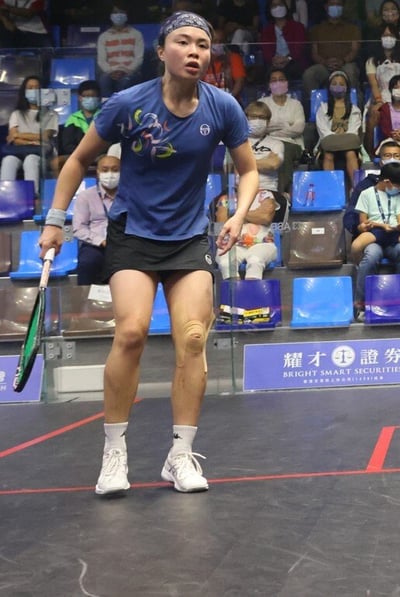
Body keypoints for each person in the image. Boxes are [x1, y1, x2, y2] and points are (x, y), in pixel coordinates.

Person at [37, 11, 260, 497]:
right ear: (161, 52)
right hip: (134, 234)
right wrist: (56, 222)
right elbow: (78, 159)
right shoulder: (127, 104)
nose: (196, 51)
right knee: (133, 333)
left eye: (203, 44)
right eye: (184, 42)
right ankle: (114, 452)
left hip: (187, 238)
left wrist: (238, 215)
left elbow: (248, 171)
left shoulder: (222, 108)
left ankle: (180, 455)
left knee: (195, 339)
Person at [350, 162, 400, 318]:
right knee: (371, 256)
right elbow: (362, 224)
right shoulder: (366, 194)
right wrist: (373, 225)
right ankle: (361, 304)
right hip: (374, 236)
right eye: (397, 186)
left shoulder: (395, 196)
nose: (398, 189)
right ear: (387, 182)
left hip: (393, 236)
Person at [1, 76, 57, 191]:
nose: (34, 91)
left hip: (43, 155)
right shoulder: (16, 114)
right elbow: (14, 140)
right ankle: (4, 199)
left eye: (37, 88)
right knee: (8, 160)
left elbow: (45, 137)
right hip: (19, 152)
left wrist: (18, 135)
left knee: (31, 159)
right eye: (30, 88)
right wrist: (33, 141)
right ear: (24, 92)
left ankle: (32, 198)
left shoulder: (51, 115)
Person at [72, 154, 119, 286]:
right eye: (105, 170)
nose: (110, 174)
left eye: (115, 170)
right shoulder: (86, 196)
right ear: (98, 172)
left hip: (125, 244)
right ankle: (85, 302)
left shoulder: (130, 196)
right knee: (88, 262)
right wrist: (101, 241)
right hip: (96, 245)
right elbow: (79, 228)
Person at [257, 69, 305, 197]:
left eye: (281, 79)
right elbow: (259, 127)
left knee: (283, 150)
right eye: (274, 80)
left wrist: (272, 129)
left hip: (292, 143)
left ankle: (279, 193)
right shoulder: (262, 103)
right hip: (267, 143)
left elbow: (298, 128)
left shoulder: (296, 104)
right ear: (269, 85)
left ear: (287, 83)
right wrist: (286, 126)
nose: (278, 83)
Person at [302, 0, 361, 101]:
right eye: (332, 4)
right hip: (324, 66)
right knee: (309, 74)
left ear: (343, 7)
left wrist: (343, 61)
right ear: (326, 7)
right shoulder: (317, 29)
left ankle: (352, 107)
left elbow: (355, 50)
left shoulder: (353, 29)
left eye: (338, 4)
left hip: (346, 64)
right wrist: (325, 62)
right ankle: (316, 107)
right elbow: (314, 52)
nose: (335, 7)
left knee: (350, 71)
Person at [214, 188, 279, 279]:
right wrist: (254, 215)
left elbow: (265, 217)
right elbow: (222, 222)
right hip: (231, 244)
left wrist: (236, 215)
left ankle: (251, 292)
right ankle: (235, 292)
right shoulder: (226, 199)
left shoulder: (265, 195)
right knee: (226, 263)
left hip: (262, 244)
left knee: (255, 260)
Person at [315, 70, 362, 186]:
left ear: (347, 87)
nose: (338, 86)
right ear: (329, 87)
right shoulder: (322, 108)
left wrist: (340, 139)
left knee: (350, 153)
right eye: (334, 84)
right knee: (328, 154)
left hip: (348, 142)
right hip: (330, 141)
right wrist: (335, 138)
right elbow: (323, 131)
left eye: (341, 84)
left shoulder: (354, 109)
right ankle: (331, 187)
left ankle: (356, 188)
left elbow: (353, 132)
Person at [51, 80, 102, 176]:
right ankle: (60, 189)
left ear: (99, 98)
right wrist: (82, 153)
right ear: (80, 98)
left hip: (99, 155)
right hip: (76, 154)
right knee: (56, 162)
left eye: (93, 96)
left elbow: (108, 142)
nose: (89, 99)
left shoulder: (104, 117)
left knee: (107, 161)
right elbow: (67, 145)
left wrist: (92, 153)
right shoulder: (72, 119)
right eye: (86, 96)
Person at [97, 5, 145, 98]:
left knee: (125, 81)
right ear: (110, 16)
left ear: (126, 15)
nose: (118, 15)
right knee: (104, 80)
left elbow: (139, 58)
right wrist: (111, 71)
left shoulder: (136, 34)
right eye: (115, 13)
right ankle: (108, 109)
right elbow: (101, 60)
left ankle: (123, 109)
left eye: (121, 12)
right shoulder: (104, 36)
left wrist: (126, 71)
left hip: (131, 72)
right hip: (110, 72)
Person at [365, 23, 400, 106]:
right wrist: (379, 102)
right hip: (380, 98)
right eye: (385, 35)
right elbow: (374, 85)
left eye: (391, 35)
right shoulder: (371, 62)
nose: (388, 38)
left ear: (396, 38)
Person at [260, 0, 307, 80]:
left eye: (280, 4)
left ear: (285, 7)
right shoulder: (267, 30)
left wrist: (287, 58)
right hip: (275, 63)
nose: (278, 7)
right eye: (274, 5)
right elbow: (266, 50)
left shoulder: (297, 27)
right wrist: (274, 60)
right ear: (269, 9)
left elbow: (299, 48)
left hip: (294, 62)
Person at [204, 27, 246, 102]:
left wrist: (229, 99)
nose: (218, 44)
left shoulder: (233, 57)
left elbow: (240, 82)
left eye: (221, 41)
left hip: (229, 101)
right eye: (215, 41)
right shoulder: (202, 59)